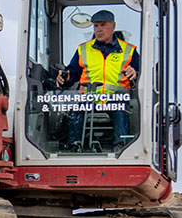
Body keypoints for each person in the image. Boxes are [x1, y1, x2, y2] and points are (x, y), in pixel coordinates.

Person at [55, 10, 138, 150]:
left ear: (113, 26)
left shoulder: (129, 51)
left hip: (116, 100)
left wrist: (135, 72)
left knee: (119, 103)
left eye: (103, 25)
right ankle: (73, 145)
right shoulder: (84, 49)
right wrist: (65, 76)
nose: (99, 29)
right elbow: (72, 73)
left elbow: (140, 73)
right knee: (76, 106)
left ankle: (120, 145)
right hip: (88, 99)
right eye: (96, 26)